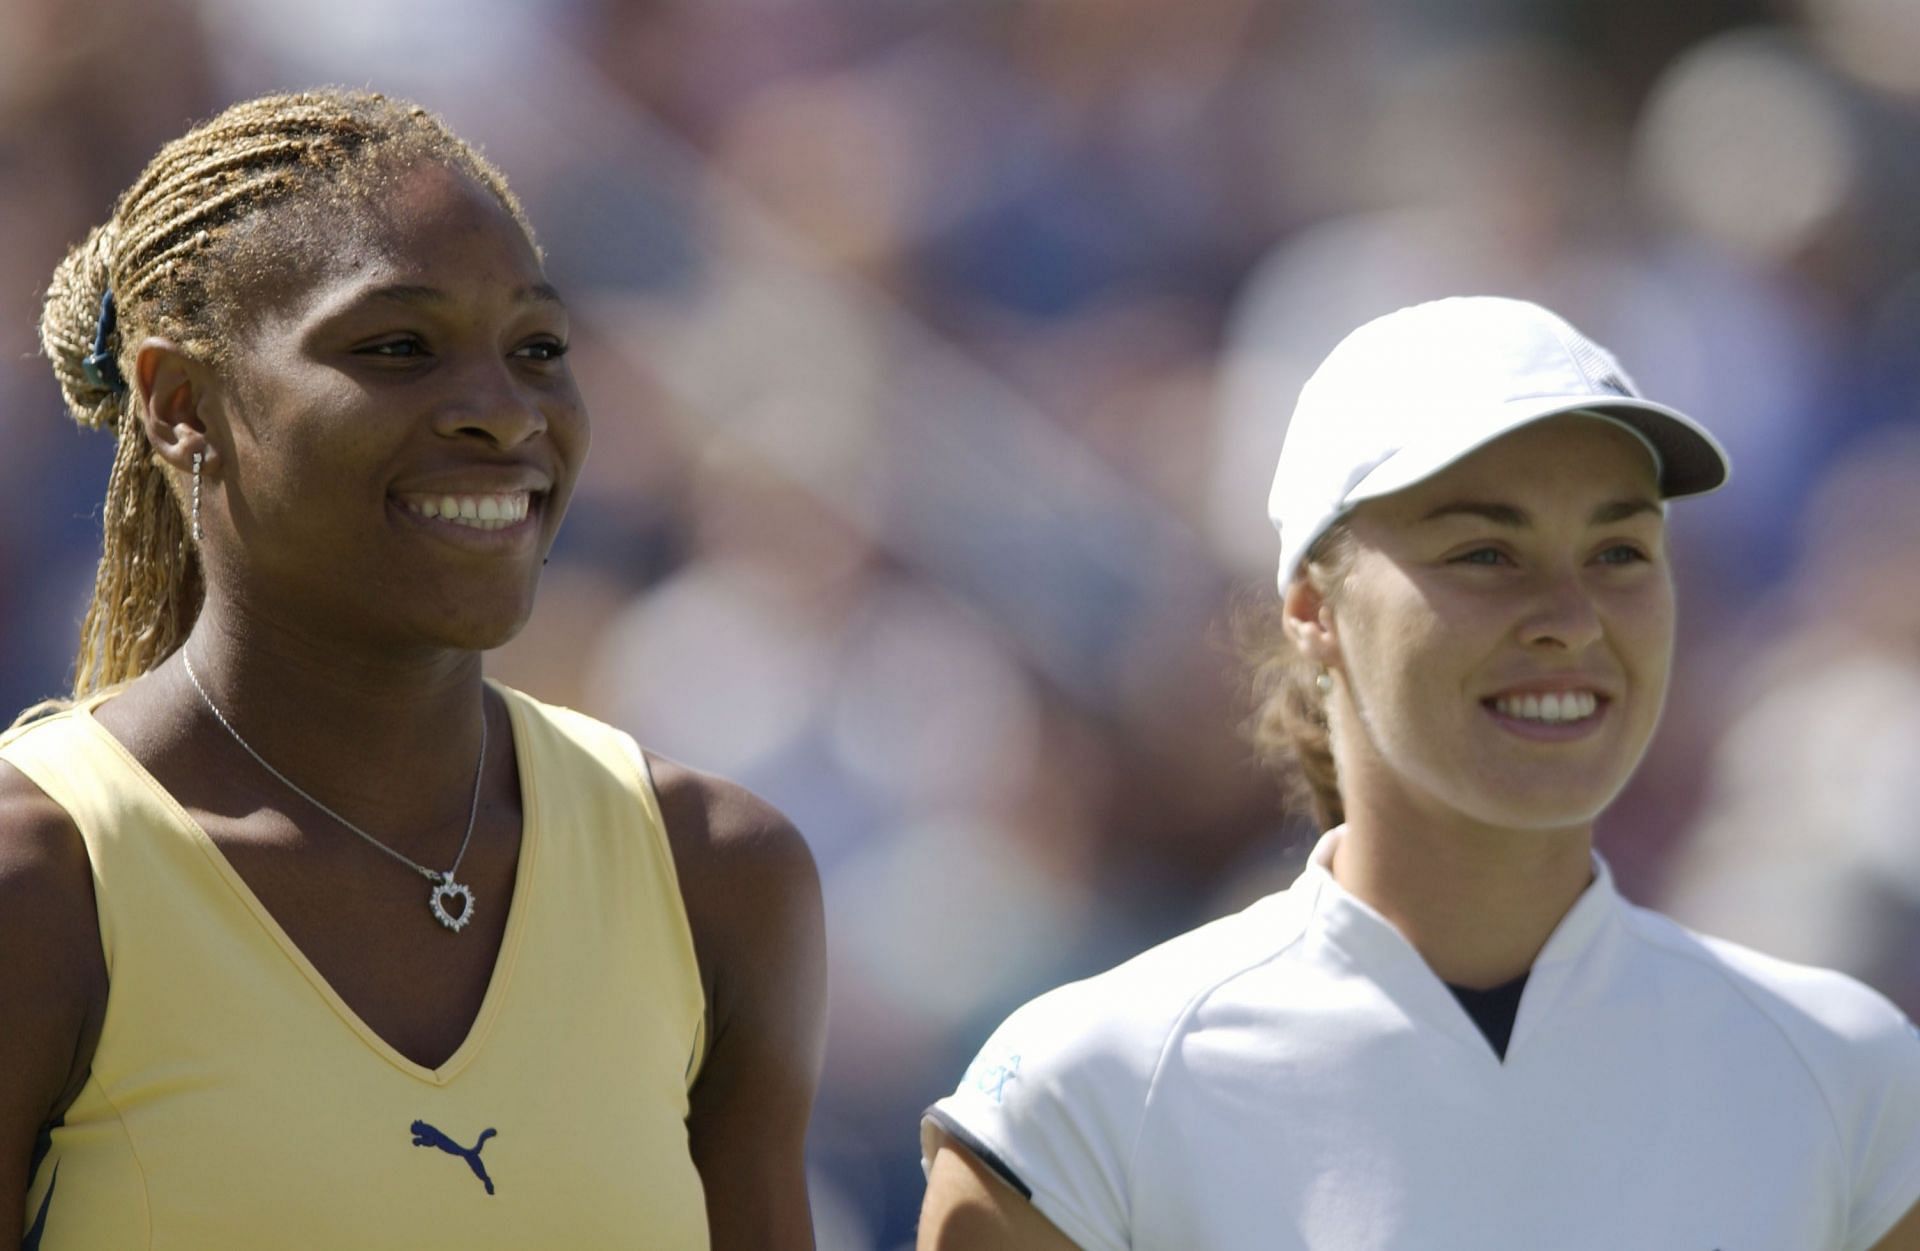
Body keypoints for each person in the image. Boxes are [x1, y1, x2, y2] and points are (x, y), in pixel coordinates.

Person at [1, 89, 825, 1250]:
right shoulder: (40, 882)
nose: (504, 414)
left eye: (538, 349)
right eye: (398, 347)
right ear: (179, 403)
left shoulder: (716, 876)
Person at [917, 296, 1920, 1249]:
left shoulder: (1853, 1082)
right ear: (1313, 609)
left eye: (1619, 551)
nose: (1572, 618)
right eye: (1485, 553)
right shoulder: (1085, 1096)